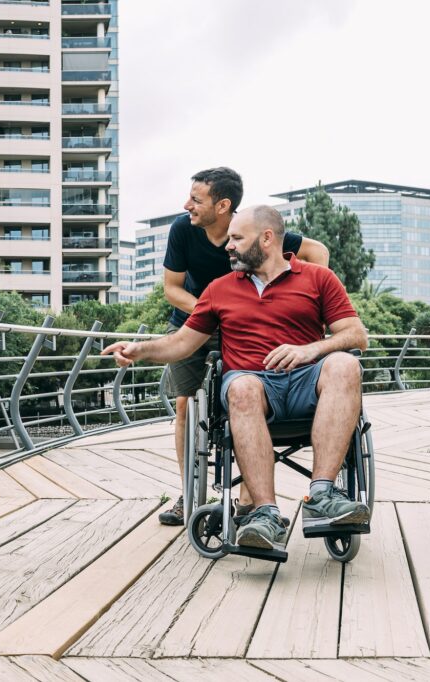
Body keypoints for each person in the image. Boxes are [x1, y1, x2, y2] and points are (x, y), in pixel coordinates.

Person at [104, 205, 369, 551]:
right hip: (253, 385)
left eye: (237, 238)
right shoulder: (219, 289)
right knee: (241, 387)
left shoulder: (318, 278)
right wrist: (140, 350)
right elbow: (182, 342)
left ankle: (322, 495)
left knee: (346, 365)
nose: (228, 246)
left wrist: (310, 350)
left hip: (308, 382)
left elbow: (356, 334)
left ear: (267, 238)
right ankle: (264, 513)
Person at [156, 167, 330, 526]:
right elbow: (172, 289)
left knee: (245, 396)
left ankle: (248, 497)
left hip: (244, 321)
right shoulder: (182, 229)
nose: (187, 204)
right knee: (186, 407)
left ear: (223, 206)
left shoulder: (250, 231)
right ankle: (189, 493)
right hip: (195, 319)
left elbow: (318, 251)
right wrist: (212, 311)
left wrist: (309, 297)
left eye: (196, 199)